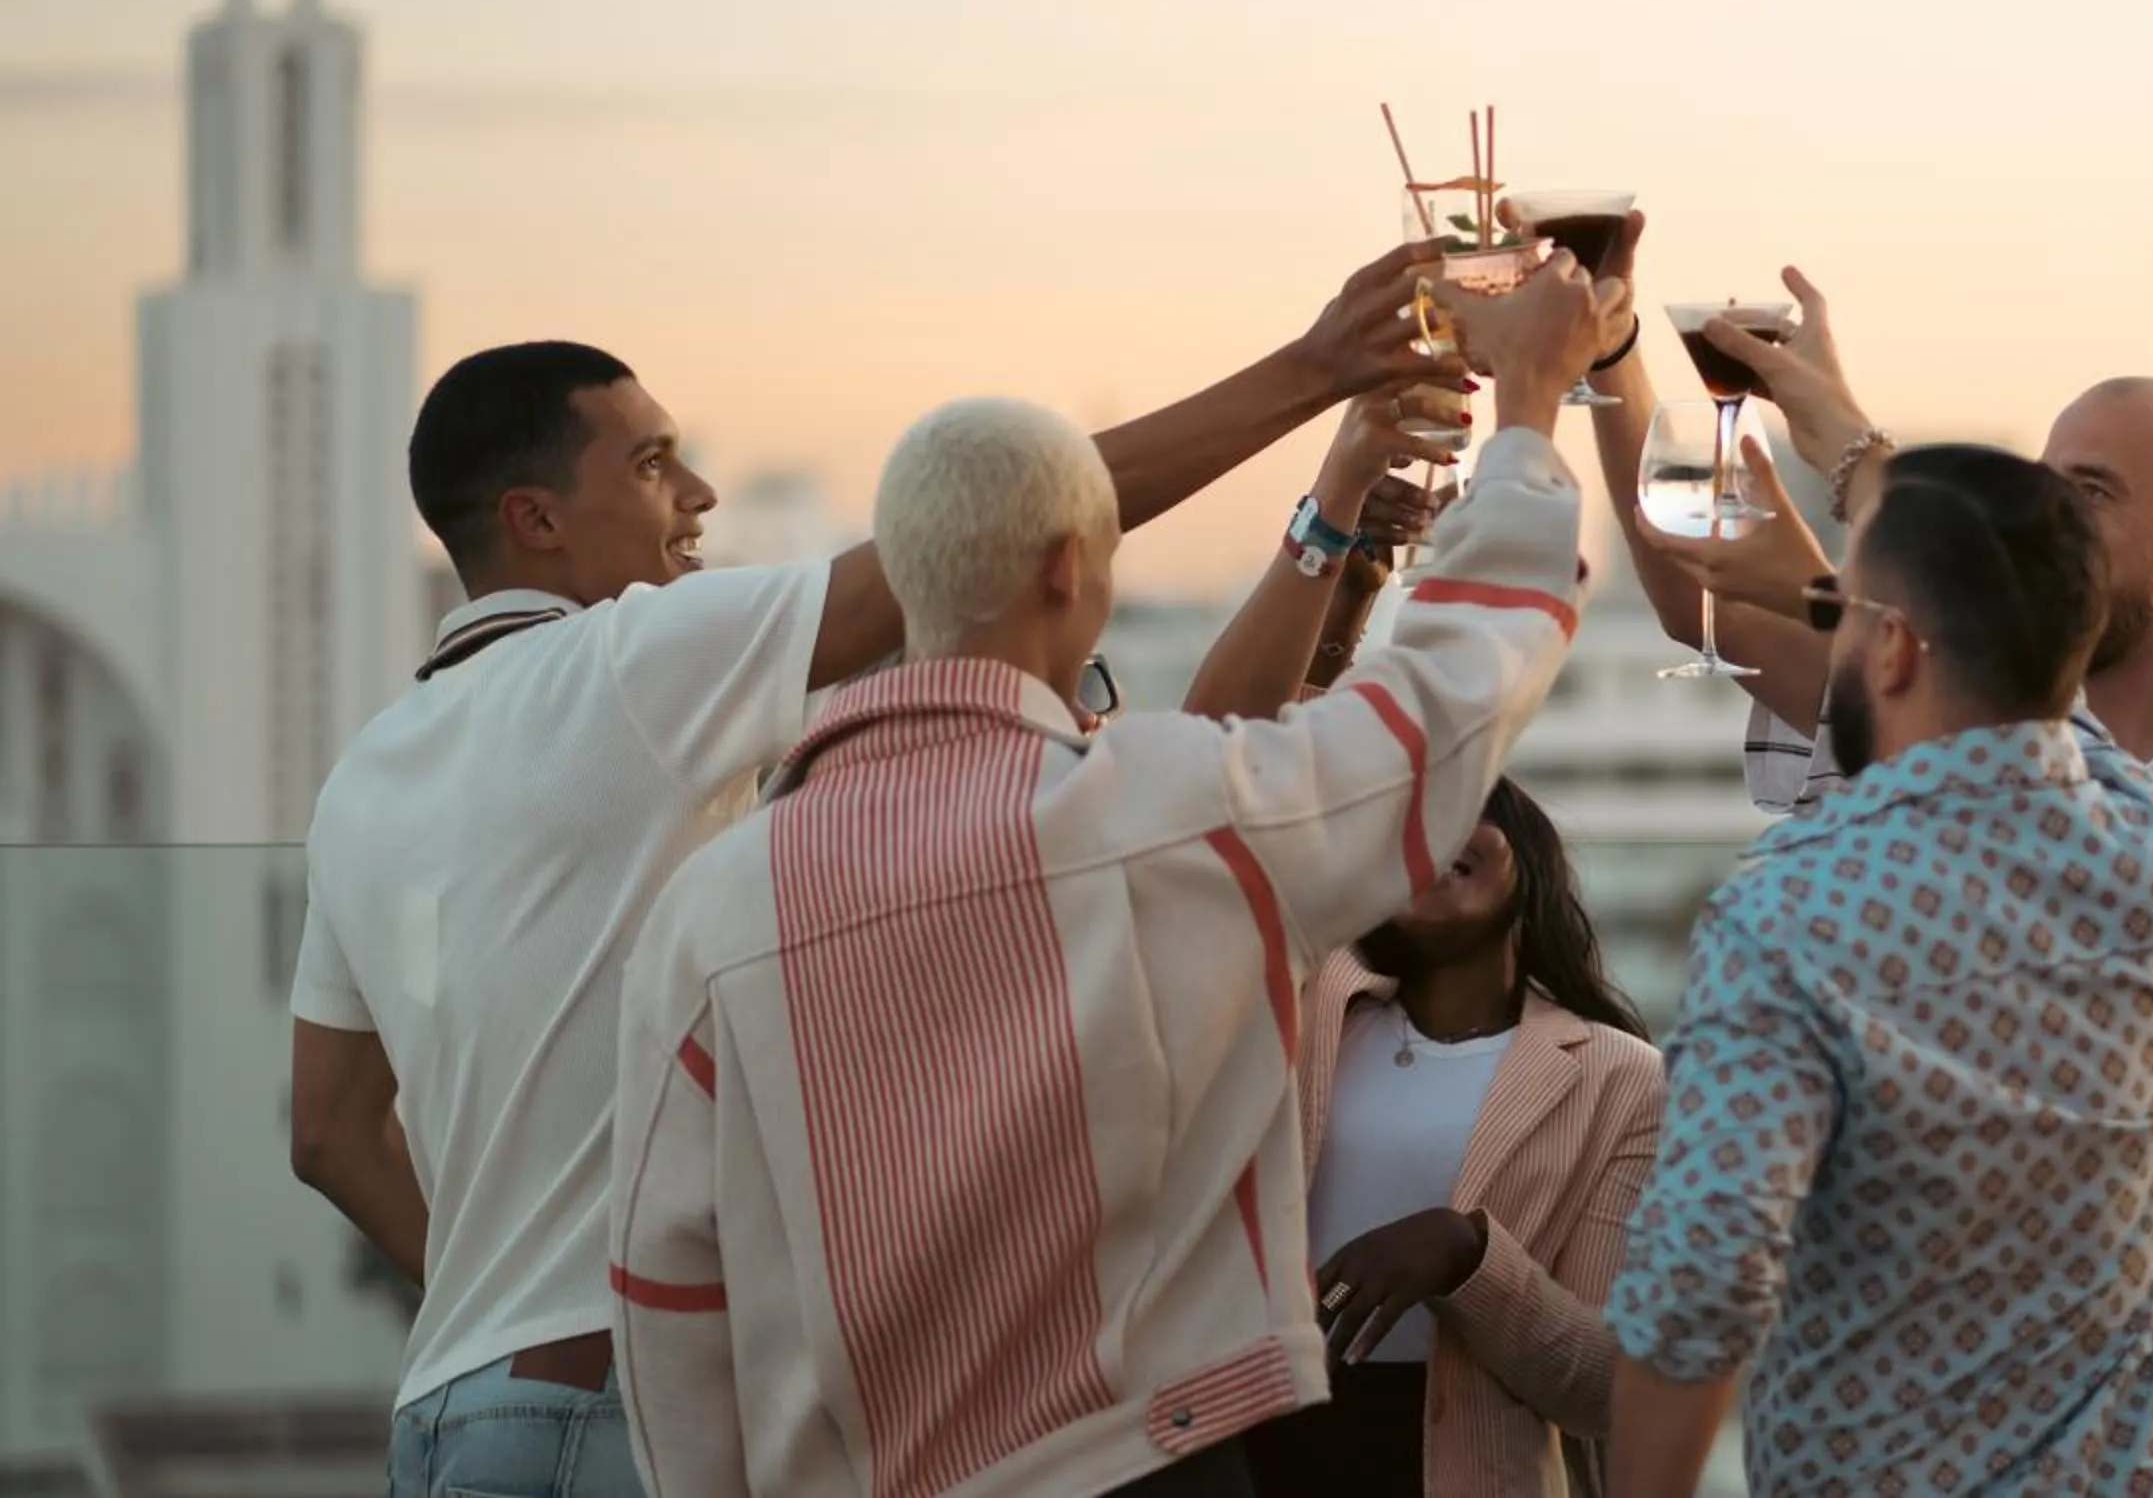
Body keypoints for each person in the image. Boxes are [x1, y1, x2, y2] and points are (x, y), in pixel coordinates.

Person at [290, 245, 1455, 1498]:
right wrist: (1314, 369)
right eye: (646, 462)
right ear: (535, 520)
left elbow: (330, 1132)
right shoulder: (628, 665)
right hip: (613, 1417)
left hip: (447, 1417)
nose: (696, 493)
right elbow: (991, 524)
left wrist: (499, 1313)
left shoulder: (362, 777)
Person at [606, 259, 1621, 1498]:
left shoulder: (713, 907)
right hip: (1143, 1467)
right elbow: (1450, 700)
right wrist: (1528, 410)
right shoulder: (1157, 816)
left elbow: (667, 1291)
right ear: (1066, 573)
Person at [1603, 444, 2153, 1498]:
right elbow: (2041, 679)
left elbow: (1705, 1277)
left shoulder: (1787, 910)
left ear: (1892, 648)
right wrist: (1857, 587)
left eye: (1845, 616)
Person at [1579, 252, 2153, 861]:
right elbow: (1700, 600)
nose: (2048, 520)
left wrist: (1841, 551)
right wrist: (1611, 347)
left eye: (2091, 492)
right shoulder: (1921, 682)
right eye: (2043, 487)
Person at [1233, 777, 1663, 1498]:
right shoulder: (1302, 1007)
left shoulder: (1621, 1078)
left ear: (1525, 852)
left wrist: (1462, 1252)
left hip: (1462, 1467)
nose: (1426, 835)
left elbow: (1600, 1385)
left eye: (1459, 808)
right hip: (1251, 1444)